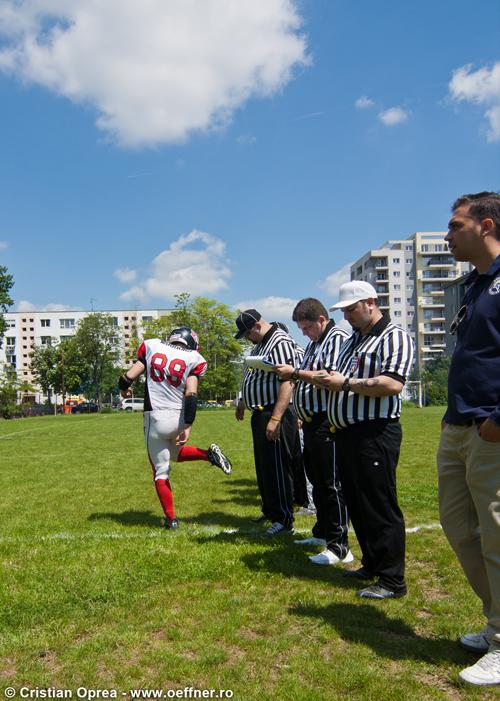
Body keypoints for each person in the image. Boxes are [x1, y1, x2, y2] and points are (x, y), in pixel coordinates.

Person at [315, 281, 414, 599]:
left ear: (371, 302)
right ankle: (372, 564)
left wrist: (345, 383)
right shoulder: (354, 340)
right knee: (357, 502)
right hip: (346, 433)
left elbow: (392, 383)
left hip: (374, 431)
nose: (347, 317)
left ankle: (392, 579)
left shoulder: (393, 336)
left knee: (379, 503)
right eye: (343, 311)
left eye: (351, 309)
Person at [437, 192, 500, 686]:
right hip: (456, 425)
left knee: (497, 537)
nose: (448, 234)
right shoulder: (472, 286)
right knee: (459, 528)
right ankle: (496, 619)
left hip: (490, 429)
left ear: (486, 225)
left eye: (456, 225)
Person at [119, 326, 232, 530]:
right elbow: (191, 392)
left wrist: (124, 389)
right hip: (178, 417)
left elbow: (128, 376)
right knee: (173, 453)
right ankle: (208, 455)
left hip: (155, 417)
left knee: (160, 471)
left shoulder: (152, 346)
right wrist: (187, 424)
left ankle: (171, 520)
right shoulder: (195, 358)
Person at [274, 297, 353, 566]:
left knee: (331, 482)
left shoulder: (337, 337)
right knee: (317, 480)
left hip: (326, 420)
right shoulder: (315, 342)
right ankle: (323, 533)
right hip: (311, 420)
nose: (304, 333)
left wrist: (295, 372)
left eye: (307, 328)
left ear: (321, 319)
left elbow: (329, 375)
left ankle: (340, 545)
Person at [234, 309, 300, 536]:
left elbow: (288, 381)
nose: (246, 338)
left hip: (274, 411)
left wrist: (276, 418)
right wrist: (243, 400)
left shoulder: (279, 341)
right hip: (260, 413)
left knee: (278, 467)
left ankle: (284, 518)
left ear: (256, 326)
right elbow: (252, 375)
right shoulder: (260, 344)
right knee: (265, 467)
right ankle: (271, 510)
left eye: (246, 334)